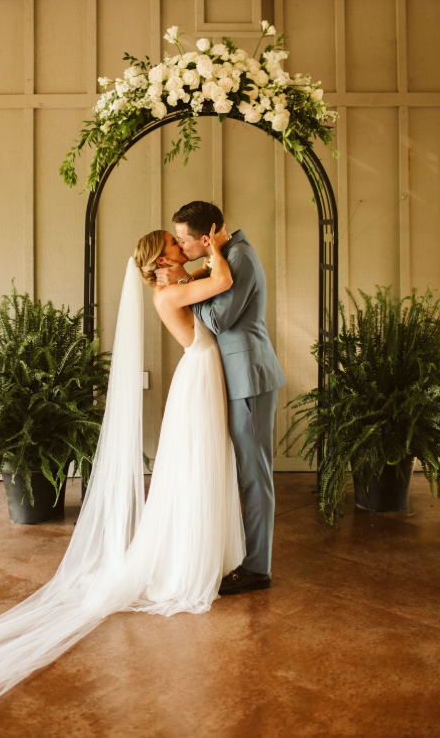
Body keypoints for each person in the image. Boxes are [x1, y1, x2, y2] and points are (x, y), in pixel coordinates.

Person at [0, 225, 245, 719]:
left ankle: (201, 549)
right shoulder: (170, 294)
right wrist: (215, 251)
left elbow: (205, 280)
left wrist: (200, 255)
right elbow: (223, 282)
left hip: (201, 371)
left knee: (201, 464)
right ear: (160, 259)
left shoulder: (171, 284)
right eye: (174, 243)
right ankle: (189, 560)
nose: (179, 246)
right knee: (197, 464)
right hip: (199, 372)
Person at [155, 201, 286, 594]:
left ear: (206, 236)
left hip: (248, 379)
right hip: (234, 377)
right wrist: (190, 278)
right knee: (242, 472)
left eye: (183, 240)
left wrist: (182, 286)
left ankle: (257, 570)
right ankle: (244, 556)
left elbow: (216, 319)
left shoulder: (238, 258)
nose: (180, 246)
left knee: (254, 475)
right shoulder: (225, 255)